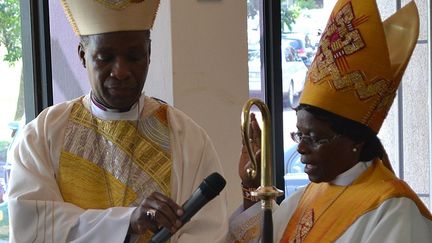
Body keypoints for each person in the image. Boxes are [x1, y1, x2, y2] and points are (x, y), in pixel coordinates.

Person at [7, 0, 228, 242]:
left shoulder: (187, 138)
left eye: (134, 57)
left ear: (149, 54)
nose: (121, 71)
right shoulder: (42, 136)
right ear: (83, 55)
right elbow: (34, 227)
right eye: (105, 57)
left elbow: (209, 231)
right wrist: (128, 222)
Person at [229, 0, 432, 242]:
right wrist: (253, 187)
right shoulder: (308, 196)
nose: (301, 148)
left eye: (314, 138)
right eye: (299, 135)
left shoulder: (393, 210)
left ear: (355, 140)